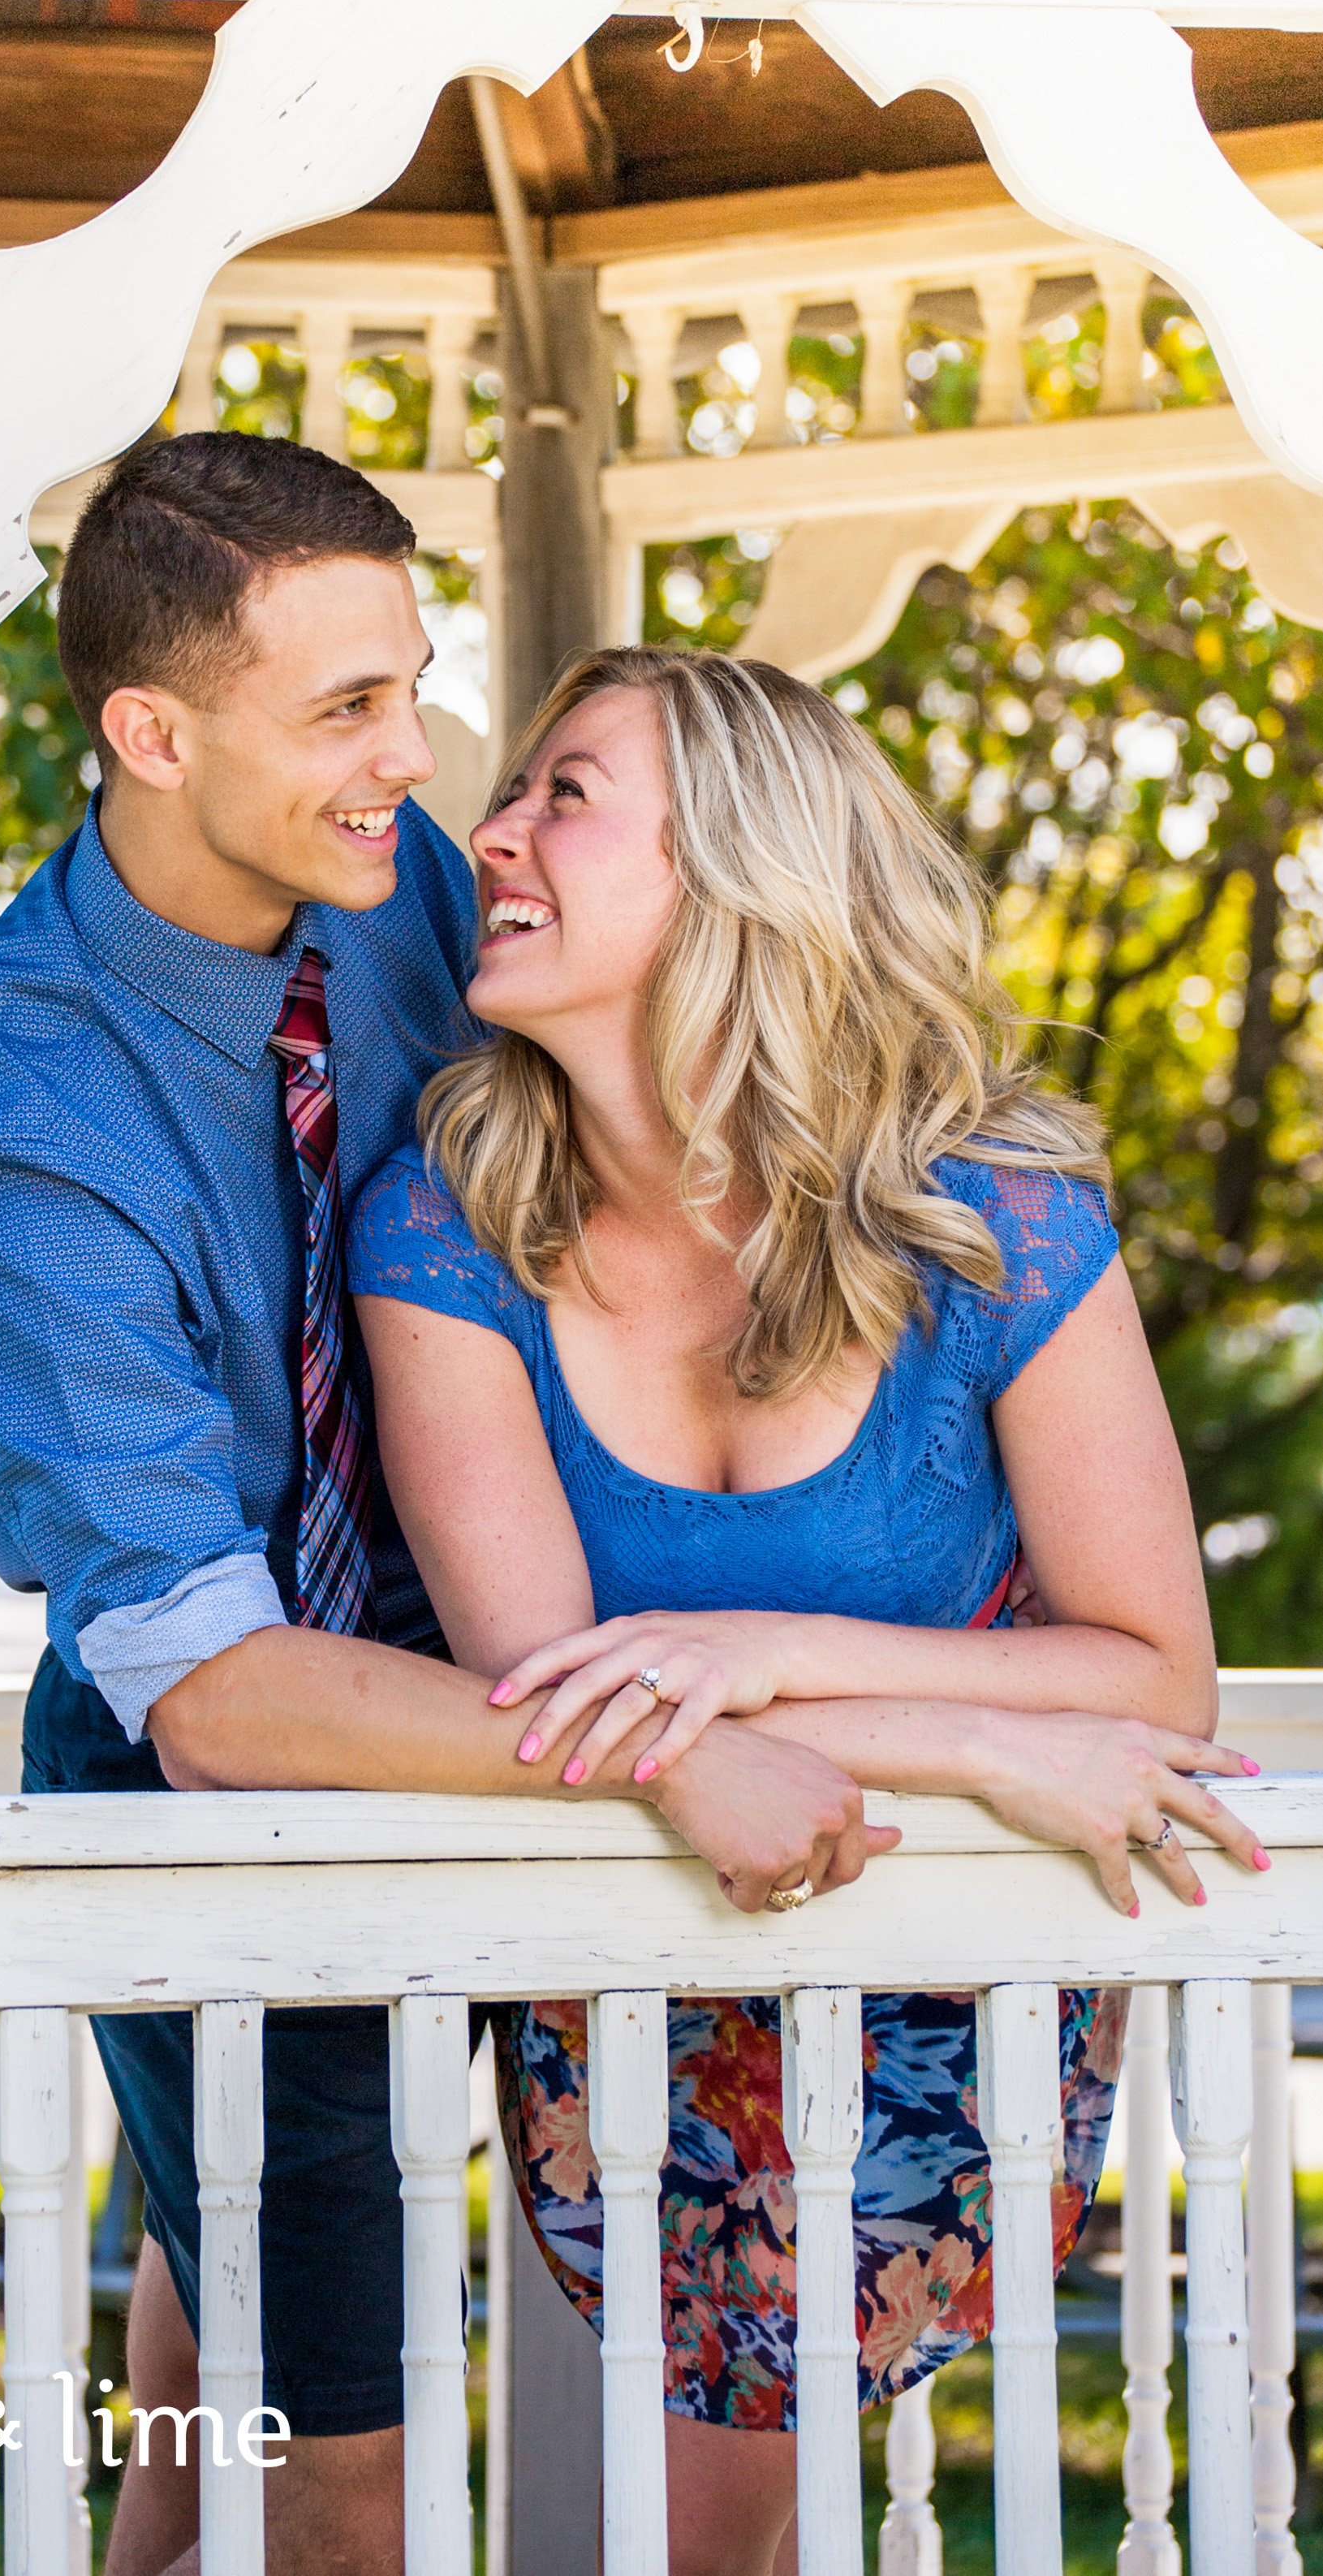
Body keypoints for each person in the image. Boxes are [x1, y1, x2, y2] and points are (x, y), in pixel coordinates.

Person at [0, 444, 883, 2576]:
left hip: (504, 1693)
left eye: (414, 684)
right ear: (152, 735)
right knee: (337, 2489)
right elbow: (201, 1686)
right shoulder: (10, 1095)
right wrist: (683, 1750)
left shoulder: (412, 898)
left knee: (202, 2459)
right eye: (347, 709)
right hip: (226, 1798)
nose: (419, 755)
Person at [346, 642, 1264, 2576]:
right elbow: (557, 1702)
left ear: (736, 867)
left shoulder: (991, 1211)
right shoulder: (444, 1220)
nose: (485, 833)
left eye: (560, 794)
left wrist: (757, 1659)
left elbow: (1151, 1671)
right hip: (630, 1938)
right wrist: (965, 1732)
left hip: (952, 1968)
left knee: (720, 2522)